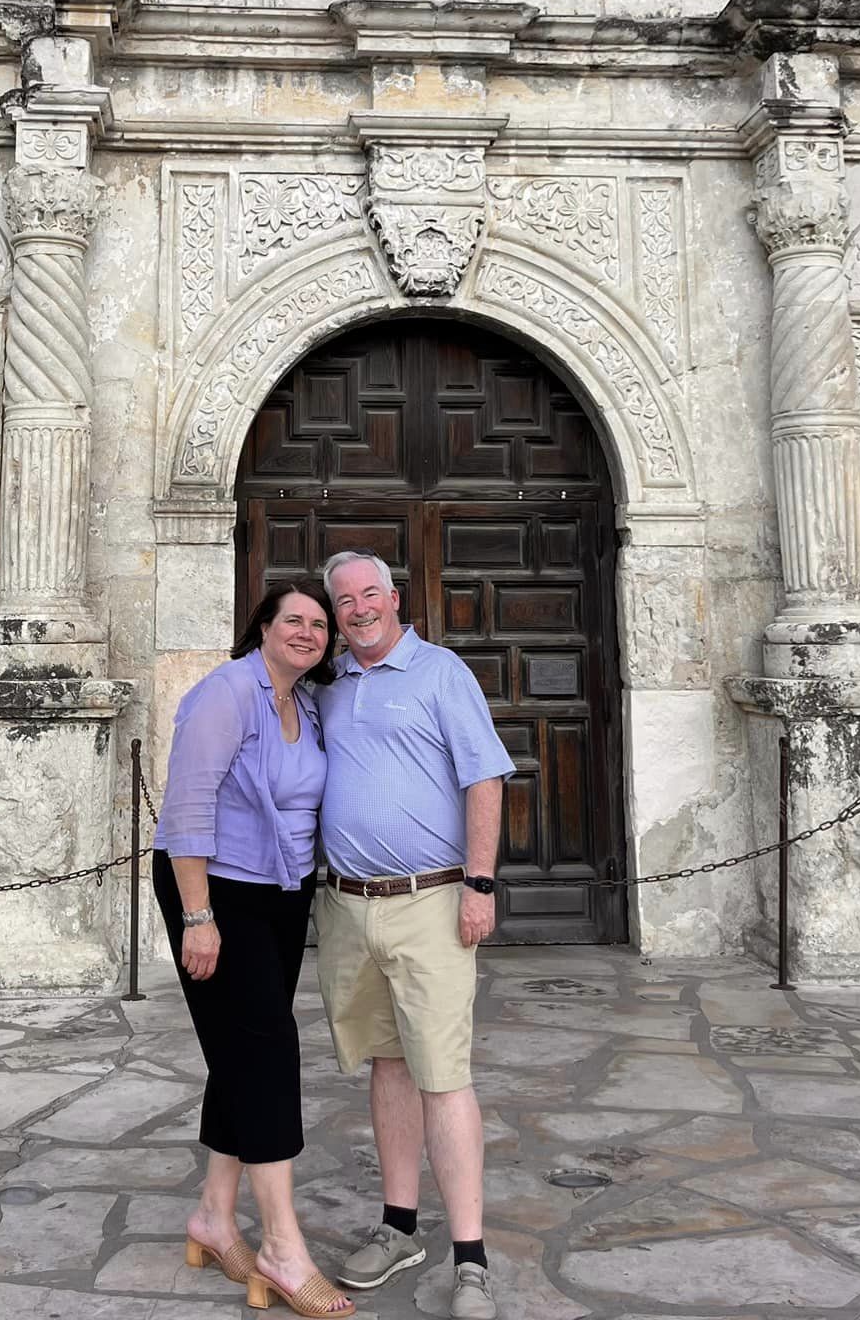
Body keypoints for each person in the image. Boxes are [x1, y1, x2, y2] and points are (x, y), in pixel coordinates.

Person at [316, 550, 514, 1320]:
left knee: (443, 1074)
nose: (359, 608)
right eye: (344, 600)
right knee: (388, 1067)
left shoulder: (440, 674)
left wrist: (480, 883)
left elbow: (484, 778)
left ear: (394, 599)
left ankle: (471, 1257)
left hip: (431, 902)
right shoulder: (329, 683)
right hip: (347, 907)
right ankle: (400, 1227)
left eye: (370, 594)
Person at [152, 578, 354, 1319]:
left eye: (319, 625)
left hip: (279, 890)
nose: (308, 632)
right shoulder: (225, 694)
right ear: (262, 627)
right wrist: (197, 917)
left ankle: (212, 1212)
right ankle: (281, 1244)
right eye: (293, 619)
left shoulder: (303, 702)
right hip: (214, 889)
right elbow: (187, 806)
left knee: (243, 1047)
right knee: (268, 1049)